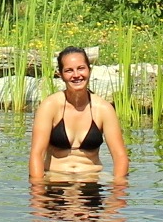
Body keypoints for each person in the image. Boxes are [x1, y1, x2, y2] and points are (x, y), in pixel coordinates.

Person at [29, 47, 129, 183]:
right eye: (69, 70)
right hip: (55, 182)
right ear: (60, 75)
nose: (76, 75)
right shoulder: (49, 106)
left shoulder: (103, 109)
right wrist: (38, 192)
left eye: (81, 68)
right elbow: (37, 154)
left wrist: (118, 192)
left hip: (91, 182)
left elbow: (120, 156)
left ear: (89, 70)